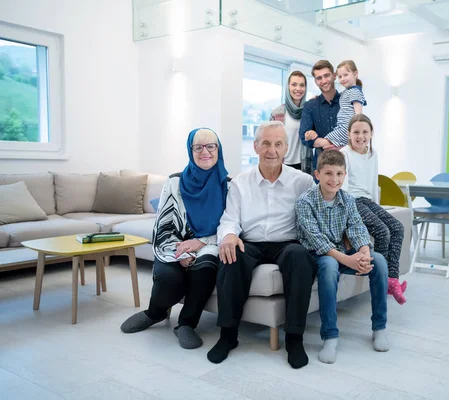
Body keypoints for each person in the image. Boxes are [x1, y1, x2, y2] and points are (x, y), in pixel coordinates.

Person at [207, 121, 316, 369]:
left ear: (286, 149)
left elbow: (320, 211)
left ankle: (294, 339)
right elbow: (229, 220)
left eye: (278, 144)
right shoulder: (240, 183)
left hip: (287, 243)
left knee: (300, 257)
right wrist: (228, 236)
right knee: (230, 254)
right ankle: (228, 336)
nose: (272, 150)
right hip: (251, 242)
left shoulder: (303, 182)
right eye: (266, 143)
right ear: (256, 146)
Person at [120, 128, 229, 350]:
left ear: (218, 150)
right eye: (197, 147)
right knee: (169, 278)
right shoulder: (174, 182)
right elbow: (163, 225)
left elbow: (232, 226)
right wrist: (183, 253)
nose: (204, 151)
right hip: (175, 246)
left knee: (206, 267)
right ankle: (154, 313)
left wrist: (201, 243)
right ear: (190, 151)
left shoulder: (228, 184)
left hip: (210, 245)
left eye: (211, 146)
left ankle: (186, 324)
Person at [296, 149, 390, 364]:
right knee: (329, 266)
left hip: (345, 253)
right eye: (328, 173)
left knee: (380, 262)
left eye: (339, 174)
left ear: (344, 176)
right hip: (319, 255)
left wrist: (364, 253)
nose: (334, 179)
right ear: (317, 174)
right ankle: (330, 336)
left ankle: (379, 328)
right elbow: (316, 239)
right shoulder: (305, 202)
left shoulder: (347, 199)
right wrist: (347, 260)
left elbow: (357, 228)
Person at [341, 114, 407, 304]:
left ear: (371, 134)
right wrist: (347, 214)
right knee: (382, 231)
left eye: (365, 132)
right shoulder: (344, 154)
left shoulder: (372, 153)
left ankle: (392, 279)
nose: (360, 136)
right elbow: (343, 189)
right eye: (356, 132)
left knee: (397, 227)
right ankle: (379, 282)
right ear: (349, 134)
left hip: (367, 200)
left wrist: (377, 207)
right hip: (352, 201)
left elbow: (372, 183)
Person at [299, 60, 340, 176]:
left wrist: (324, 142)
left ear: (334, 75)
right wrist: (327, 143)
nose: (324, 81)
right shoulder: (310, 106)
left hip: (347, 166)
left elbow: (353, 132)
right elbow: (303, 136)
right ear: (316, 81)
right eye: (319, 78)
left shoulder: (347, 102)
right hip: (321, 170)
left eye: (327, 75)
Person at [270, 70, 311, 172]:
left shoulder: (310, 110)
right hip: (281, 164)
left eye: (302, 85)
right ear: (288, 86)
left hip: (303, 165)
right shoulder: (276, 113)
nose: (298, 89)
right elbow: (270, 141)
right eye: (294, 84)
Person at [321, 60, 366, 150]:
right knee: (327, 146)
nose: (342, 79)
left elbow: (358, 114)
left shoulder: (355, 91)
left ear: (355, 74)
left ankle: (343, 147)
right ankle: (342, 147)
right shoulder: (346, 92)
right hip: (341, 127)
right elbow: (332, 97)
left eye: (345, 75)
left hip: (346, 127)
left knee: (323, 142)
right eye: (340, 76)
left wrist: (356, 130)